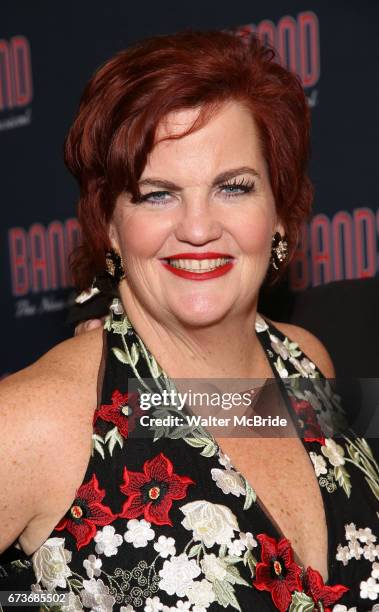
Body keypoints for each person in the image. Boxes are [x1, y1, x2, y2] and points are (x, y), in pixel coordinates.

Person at [0, 29, 377, 612]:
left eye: (234, 187)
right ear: (110, 225)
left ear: (278, 213)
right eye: (157, 195)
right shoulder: (39, 421)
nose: (198, 229)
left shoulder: (308, 361)